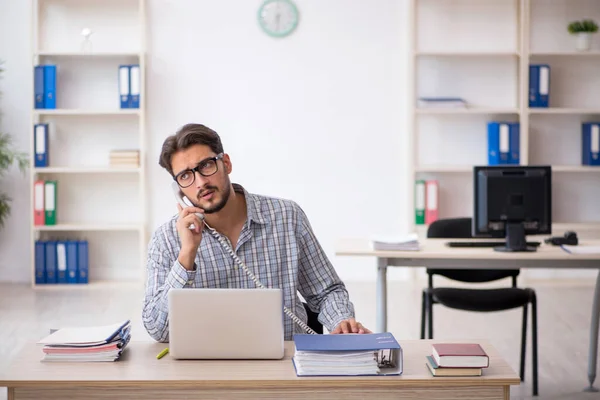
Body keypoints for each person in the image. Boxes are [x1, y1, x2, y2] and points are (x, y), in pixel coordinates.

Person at [142, 123, 371, 342]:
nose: (200, 182)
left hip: (286, 366)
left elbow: (326, 291)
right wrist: (187, 255)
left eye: (206, 165)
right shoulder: (166, 240)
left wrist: (341, 321)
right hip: (207, 373)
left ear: (227, 164)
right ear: (178, 189)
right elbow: (157, 329)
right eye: (185, 176)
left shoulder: (287, 216)